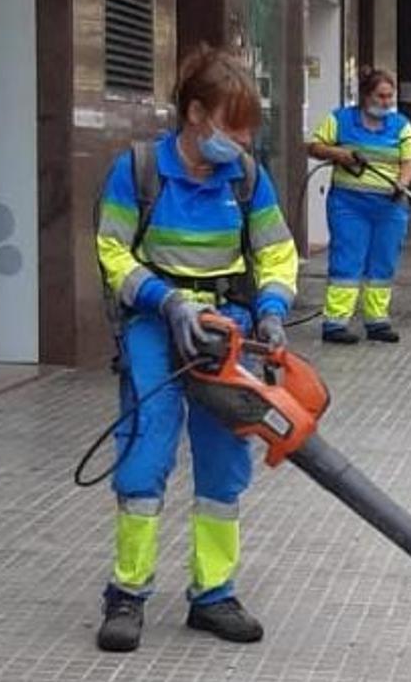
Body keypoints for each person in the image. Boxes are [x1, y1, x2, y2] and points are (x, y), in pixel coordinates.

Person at [92, 45, 298, 652]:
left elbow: (277, 251)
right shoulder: (137, 170)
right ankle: (126, 593)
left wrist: (274, 310)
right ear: (196, 115)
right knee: (146, 448)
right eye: (233, 128)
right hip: (158, 325)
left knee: (225, 459)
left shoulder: (247, 177)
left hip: (228, 327)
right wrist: (165, 300)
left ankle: (213, 594)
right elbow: (111, 252)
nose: (241, 141)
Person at [307, 68, 411, 345]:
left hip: (389, 207)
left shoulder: (401, 125)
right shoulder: (340, 120)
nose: (386, 102)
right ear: (366, 95)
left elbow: (410, 161)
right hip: (349, 205)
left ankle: (377, 320)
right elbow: (314, 146)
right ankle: (335, 322)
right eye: (381, 96)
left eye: (390, 97)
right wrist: (340, 154)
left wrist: (401, 184)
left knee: (382, 263)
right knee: (347, 260)